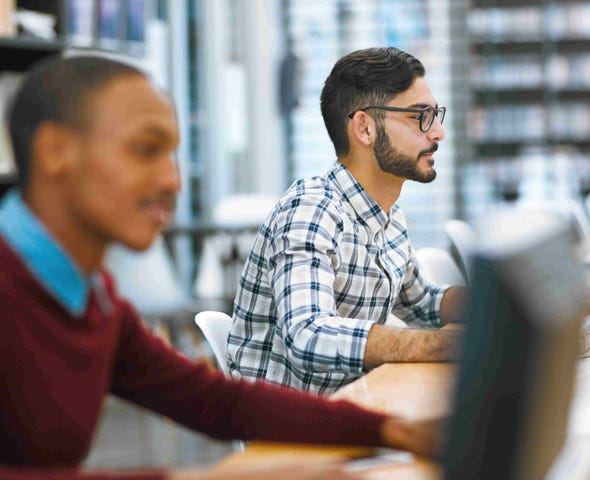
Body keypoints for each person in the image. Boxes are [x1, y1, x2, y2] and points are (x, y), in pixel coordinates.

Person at [0, 55, 443, 480]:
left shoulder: (90, 297)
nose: (172, 180)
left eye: (171, 154)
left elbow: (215, 401)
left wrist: (391, 431)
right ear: (55, 152)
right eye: (145, 149)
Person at [227, 46, 590, 394]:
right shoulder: (312, 210)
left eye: (436, 116)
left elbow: (425, 302)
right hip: (294, 434)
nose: (440, 133)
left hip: (359, 404)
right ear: (364, 127)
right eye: (420, 117)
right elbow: (309, 336)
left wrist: (528, 303)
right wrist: (458, 345)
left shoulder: (388, 214)